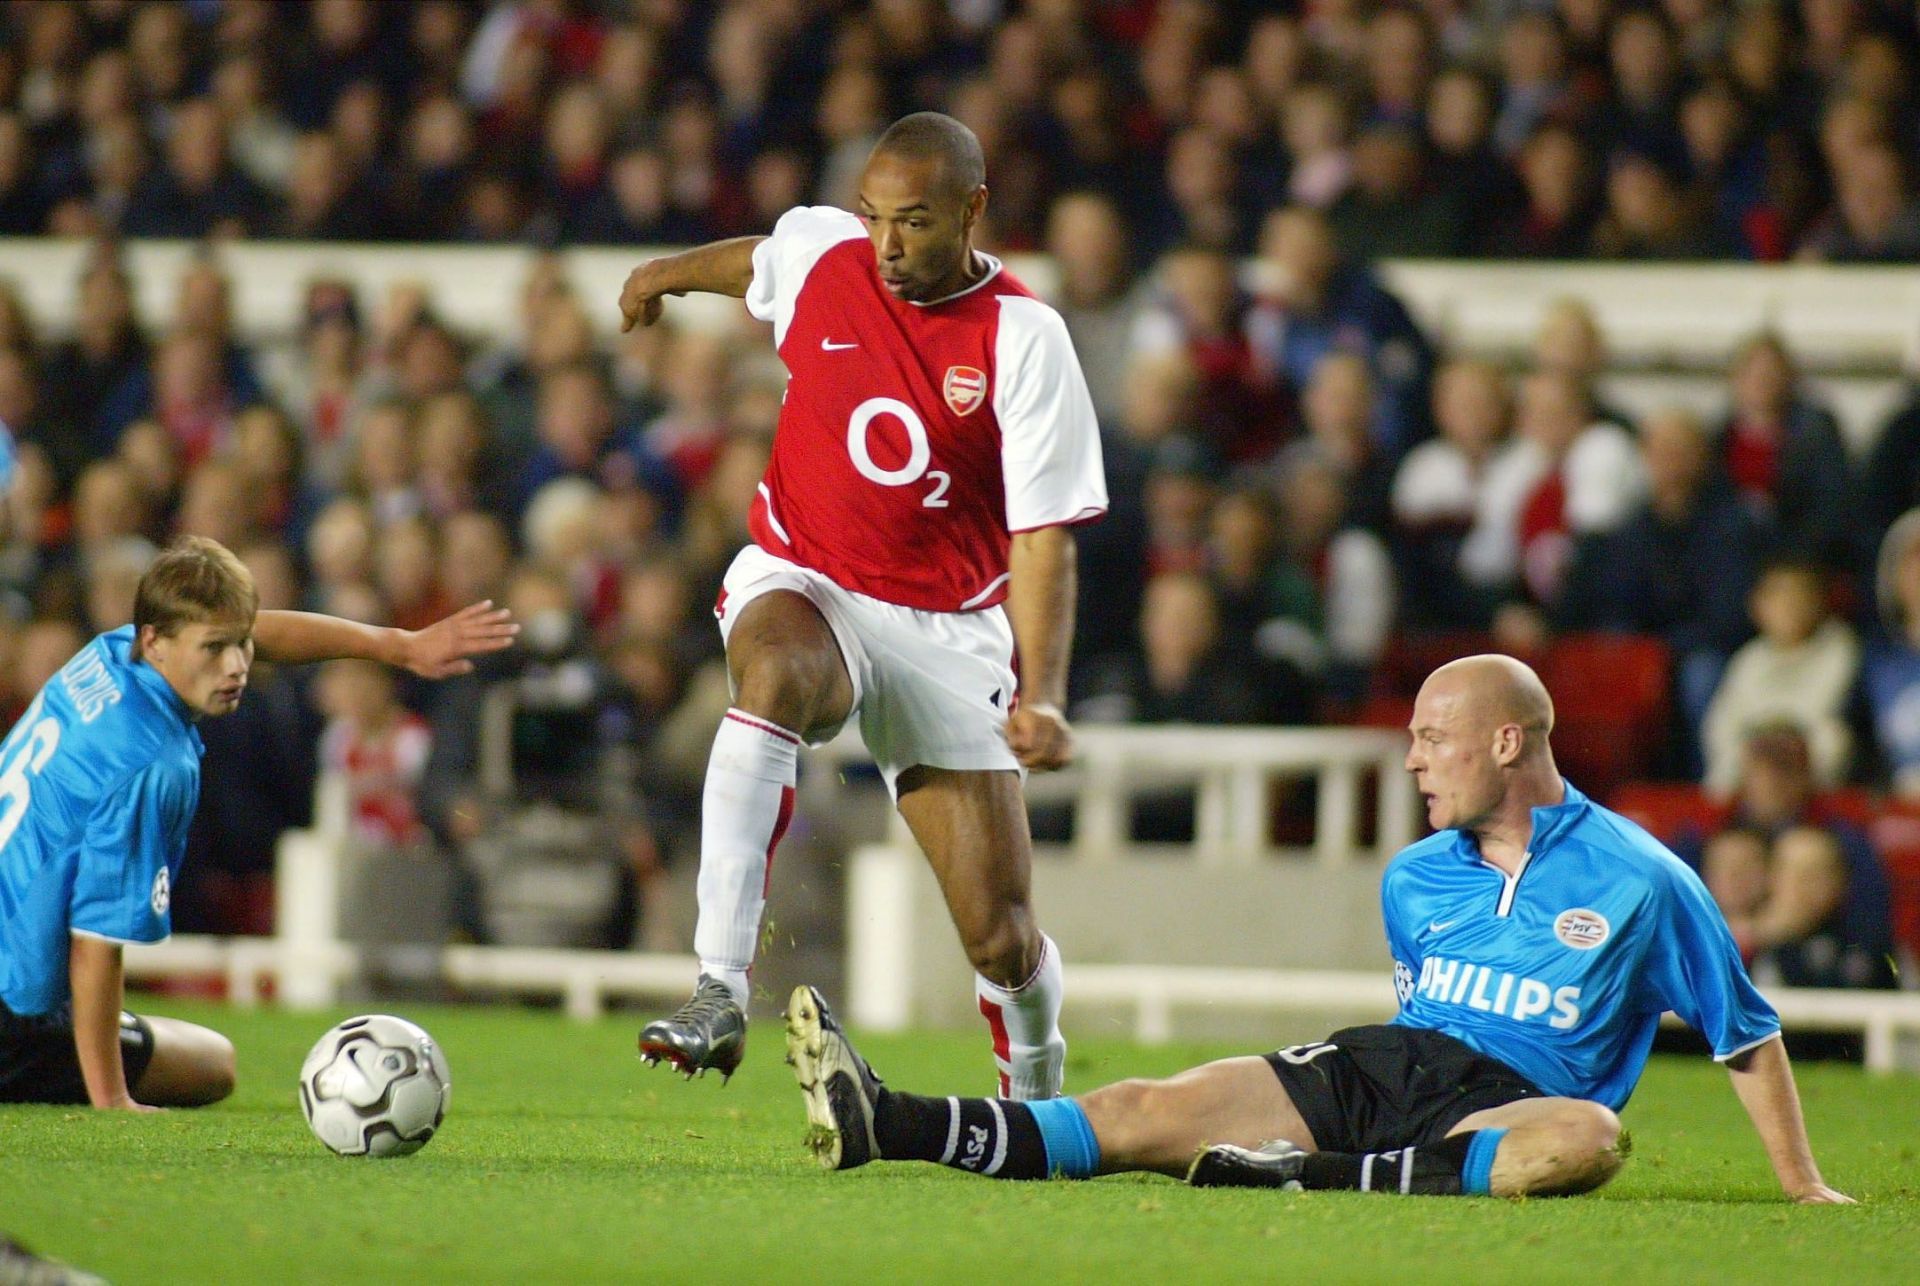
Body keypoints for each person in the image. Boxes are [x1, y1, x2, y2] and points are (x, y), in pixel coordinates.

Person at [783, 656, 1852, 1205]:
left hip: (1521, 1098)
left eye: (1435, 737)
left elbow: (1744, 1033)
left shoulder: (1645, 879)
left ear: (1509, 738)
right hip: (1390, 1064)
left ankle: (1299, 1172)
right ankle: (896, 1120)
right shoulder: (1416, 875)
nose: (1413, 759)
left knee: (1587, 1140)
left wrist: (1801, 1183)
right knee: (1143, 1108)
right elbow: (1418, 1015)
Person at [617, 112, 1106, 1098]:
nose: (886, 245)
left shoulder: (1023, 336)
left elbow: (1045, 534)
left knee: (1000, 935)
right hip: (806, 576)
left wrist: (1043, 694)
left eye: (914, 223)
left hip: (946, 630)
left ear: (972, 210)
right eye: (874, 217)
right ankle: (718, 985)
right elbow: (758, 259)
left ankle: (1039, 1094)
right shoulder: (828, 255)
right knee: (775, 672)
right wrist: (663, 271)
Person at [0, 536, 517, 1110]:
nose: (237, 667)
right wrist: (112, 1099)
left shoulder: (110, 653)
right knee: (210, 1064)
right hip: (9, 1011)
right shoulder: (150, 762)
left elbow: (256, 629)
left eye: (241, 646)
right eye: (215, 650)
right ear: (157, 640)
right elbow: (94, 945)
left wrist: (397, 646)